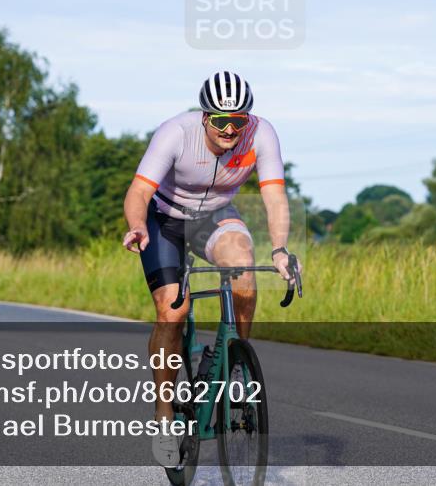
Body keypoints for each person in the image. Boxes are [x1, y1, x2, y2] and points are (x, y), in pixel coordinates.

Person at [121, 70, 302, 467]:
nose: (230, 129)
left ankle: (237, 365)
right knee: (173, 309)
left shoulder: (262, 134)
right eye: (220, 120)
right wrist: (137, 226)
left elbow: (274, 195)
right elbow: (139, 191)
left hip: (216, 216)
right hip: (164, 219)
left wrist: (279, 249)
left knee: (245, 274)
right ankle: (165, 415)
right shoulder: (175, 133)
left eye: (238, 121)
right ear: (205, 117)